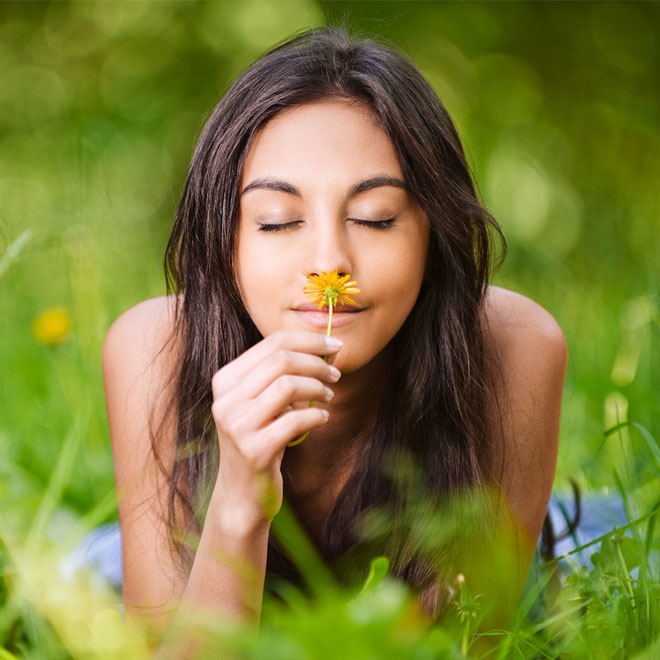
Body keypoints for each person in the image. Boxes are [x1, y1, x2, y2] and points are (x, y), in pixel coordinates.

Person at [102, 25, 567, 653]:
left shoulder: (518, 346)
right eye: (277, 220)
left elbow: (463, 643)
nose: (329, 261)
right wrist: (238, 500)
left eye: (375, 217)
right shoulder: (154, 347)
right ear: (224, 240)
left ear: (435, 234)